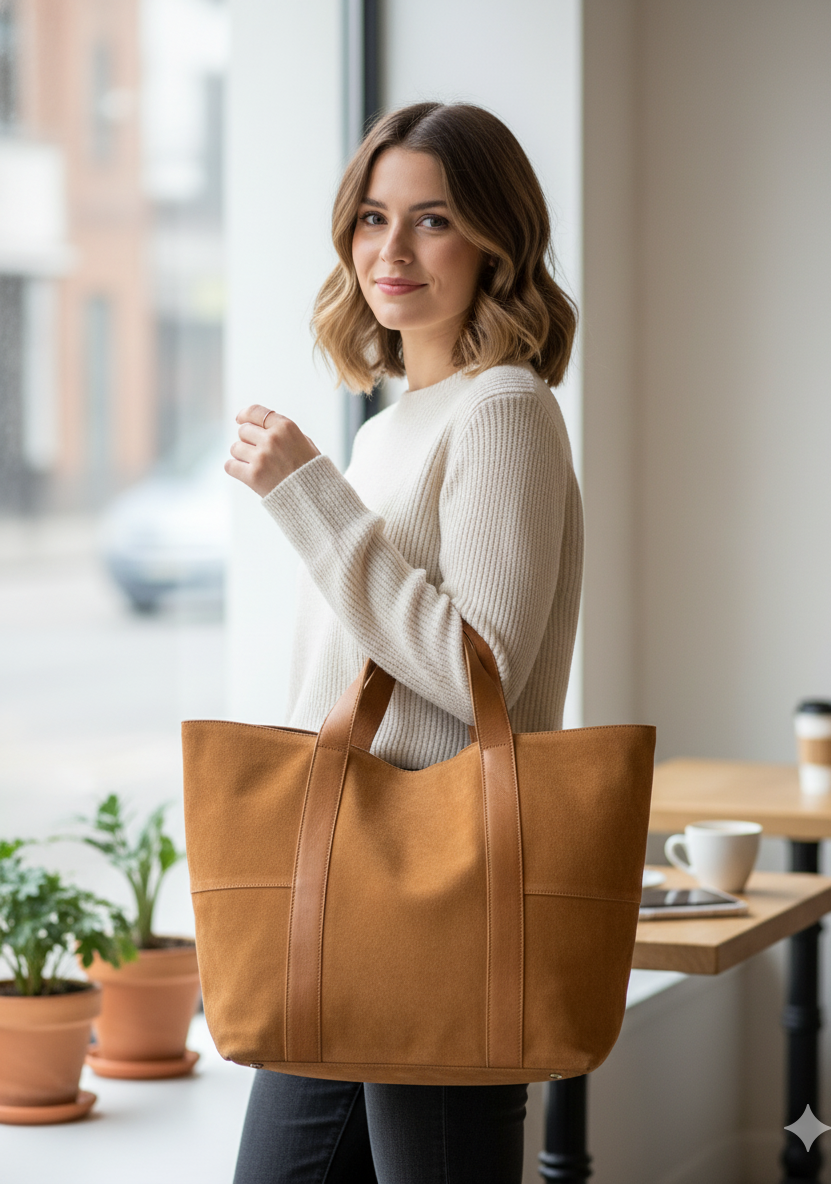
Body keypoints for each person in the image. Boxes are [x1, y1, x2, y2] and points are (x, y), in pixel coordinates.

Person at [225, 101, 583, 1184]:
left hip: (438, 891)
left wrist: (309, 501)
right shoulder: (388, 429)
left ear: (496, 241)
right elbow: (351, 664)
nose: (391, 250)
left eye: (432, 220)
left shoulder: (506, 410)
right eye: (372, 217)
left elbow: (481, 664)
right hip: (342, 887)